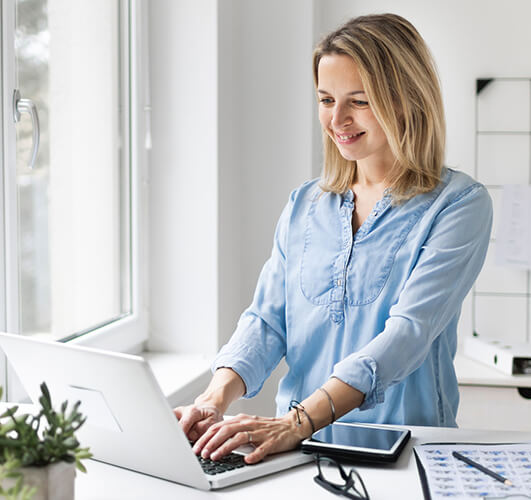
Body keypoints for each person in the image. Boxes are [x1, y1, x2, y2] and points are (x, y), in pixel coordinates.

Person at [175, 13, 492, 465]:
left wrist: (298, 420)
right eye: (326, 99)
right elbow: (267, 322)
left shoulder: (459, 205)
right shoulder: (305, 203)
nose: (336, 119)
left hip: (402, 451)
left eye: (358, 101)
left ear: (405, 100)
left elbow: (408, 334)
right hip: (295, 451)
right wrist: (213, 399)